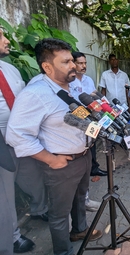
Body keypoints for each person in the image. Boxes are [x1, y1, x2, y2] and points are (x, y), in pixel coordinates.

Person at [6, 38, 102, 255]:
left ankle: (79, 230)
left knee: (80, 199)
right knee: (60, 214)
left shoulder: (70, 86)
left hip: (83, 156)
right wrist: (51, 159)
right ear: (47, 67)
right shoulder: (35, 94)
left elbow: (77, 115)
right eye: (66, 62)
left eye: (72, 61)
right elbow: (16, 135)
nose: (73, 66)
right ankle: (63, 250)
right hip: (62, 164)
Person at [0, 27, 43, 254]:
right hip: (1, 145)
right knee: (5, 198)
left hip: (23, 139)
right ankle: (11, 239)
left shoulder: (10, 69)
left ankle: (39, 209)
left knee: (35, 177)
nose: (7, 40)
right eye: (0, 36)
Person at [69, 51, 104, 212]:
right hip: (76, 125)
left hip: (92, 120)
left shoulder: (89, 80)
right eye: (80, 63)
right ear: (72, 63)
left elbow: (95, 97)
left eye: (85, 63)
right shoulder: (68, 82)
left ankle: (85, 199)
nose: (83, 66)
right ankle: (81, 201)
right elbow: (73, 104)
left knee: (90, 154)